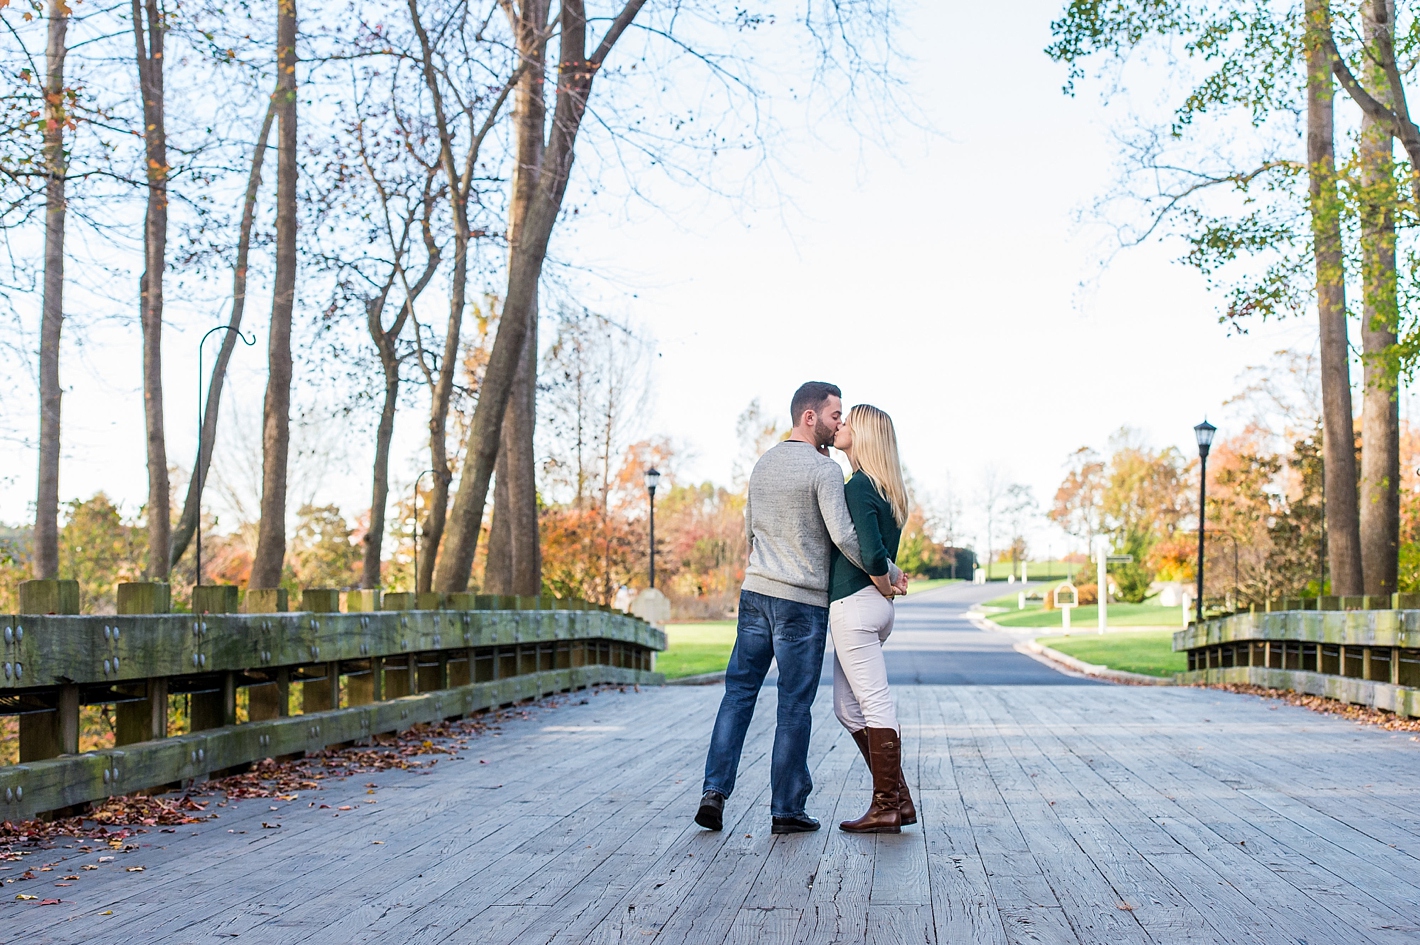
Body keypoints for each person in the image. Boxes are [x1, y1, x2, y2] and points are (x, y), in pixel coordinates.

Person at [696, 382, 907, 835]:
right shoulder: (825, 471)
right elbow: (846, 537)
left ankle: (714, 791)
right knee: (793, 705)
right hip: (802, 602)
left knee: (738, 694)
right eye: (834, 416)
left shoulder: (762, 463)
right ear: (809, 416)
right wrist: (889, 570)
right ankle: (787, 808)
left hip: (756, 594)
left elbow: (750, 530)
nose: (838, 424)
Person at [828, 404, 914, 833]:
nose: (840, 426)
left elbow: (871, 552)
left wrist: (883, 581)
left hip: (857, 605)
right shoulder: (887, 489)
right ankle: (899, 799)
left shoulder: (859, 485)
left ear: (864, 436)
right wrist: (887, 584)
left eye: (848, 422)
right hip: (872, 609)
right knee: (846, 708)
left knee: (874, 703)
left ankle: (885, 809)